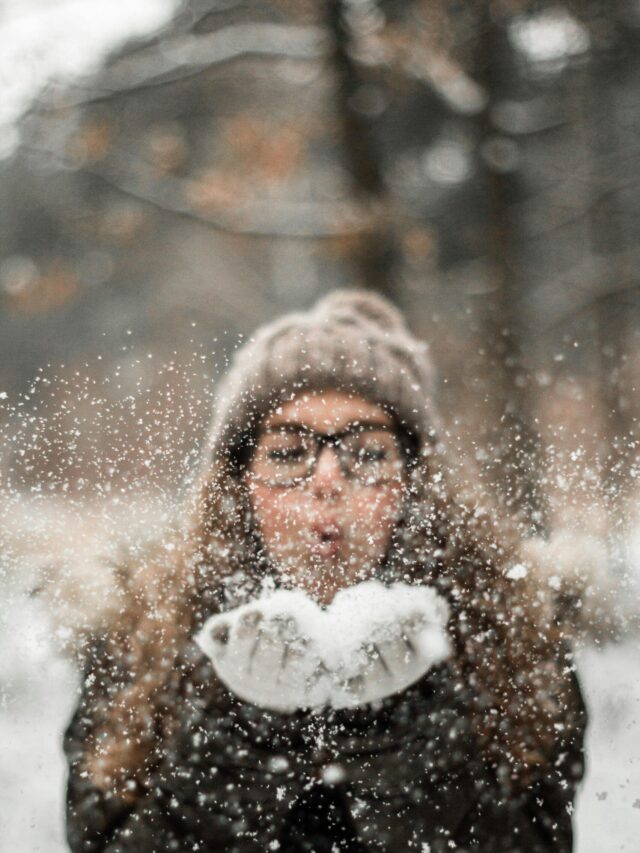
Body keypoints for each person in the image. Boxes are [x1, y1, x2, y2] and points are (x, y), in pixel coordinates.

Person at [63, 290, 587, 852]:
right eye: (289, 452)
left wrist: (404, 740)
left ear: (416, 482)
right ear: (239, 484)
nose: (328, 478)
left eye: (367, 451)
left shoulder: (511, 636)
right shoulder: (143, 636)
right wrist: (241, 742)